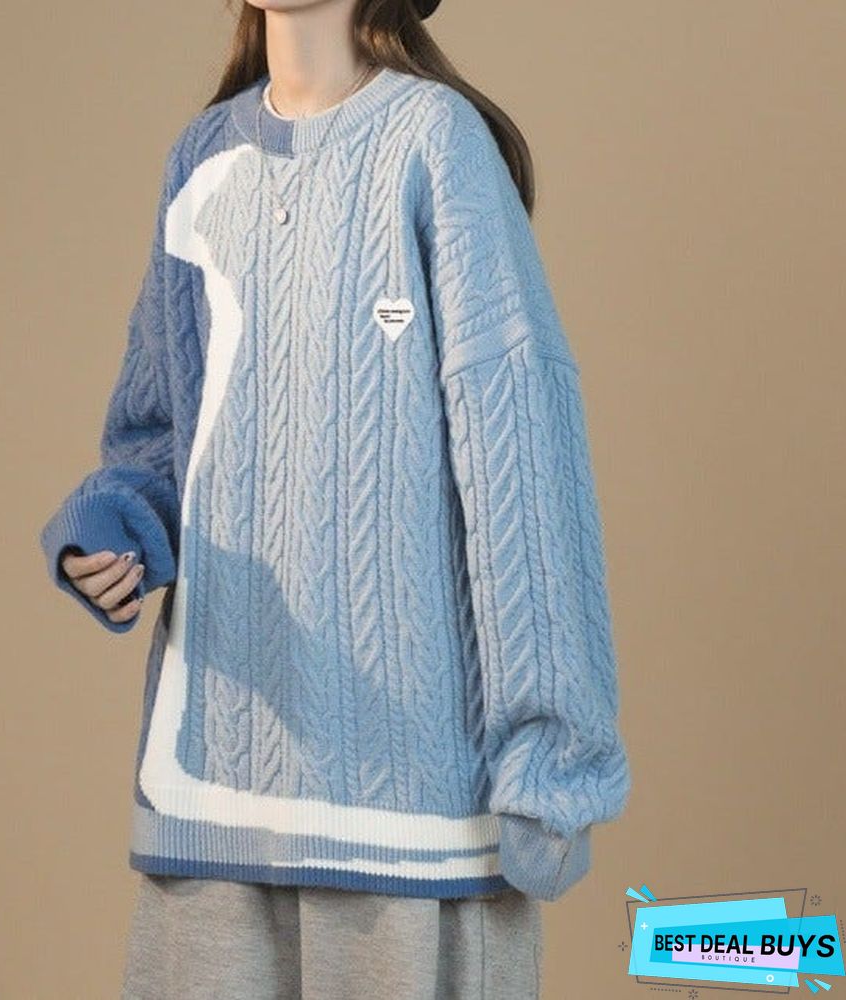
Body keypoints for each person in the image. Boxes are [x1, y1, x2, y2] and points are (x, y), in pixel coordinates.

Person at [38, 0, 631, 996]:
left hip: (413, 807)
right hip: (212, 798)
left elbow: (520, 449)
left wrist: (555, 757)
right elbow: (162, 430)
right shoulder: (201, 158)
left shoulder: (434, 141)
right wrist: (116, 528)